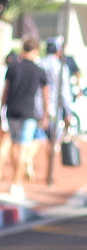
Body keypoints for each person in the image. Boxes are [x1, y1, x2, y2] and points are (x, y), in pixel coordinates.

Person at [2, 38, 50, 196]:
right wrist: (45, 115)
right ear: (36, 50)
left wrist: (2, 108)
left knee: (10, 144)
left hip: (12, 111)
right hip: (28, 114)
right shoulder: (39, 71)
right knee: (22, 147)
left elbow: (6, 91)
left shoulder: (13, 67)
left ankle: (8, 176)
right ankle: (16, 183)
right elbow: (45, 96)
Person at [38, 39, 74, 147]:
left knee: (33, 139)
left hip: (36, 106)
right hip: (53, 107)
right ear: (58, 51)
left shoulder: (39, 63)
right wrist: (68, 111)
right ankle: (48, 163)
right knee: (52, 140)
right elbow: (64, 90)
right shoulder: (60, 67)